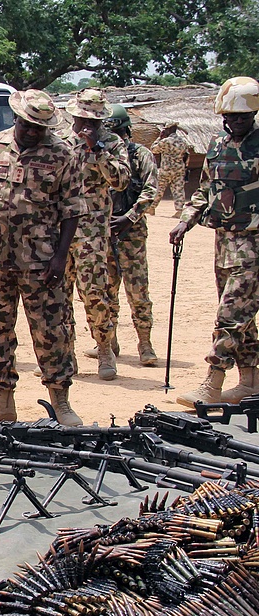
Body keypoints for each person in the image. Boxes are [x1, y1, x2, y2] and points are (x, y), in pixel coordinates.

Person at [0, 90, 84, 427]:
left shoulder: (63, 154)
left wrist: (60, 258)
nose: (34, 131)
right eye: (29, 124)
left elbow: (72, 210)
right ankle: (1, 400)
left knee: (51, 333)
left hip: (41, 262)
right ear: (16, 118)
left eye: (40, 127)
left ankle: (60, 401)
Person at [171, 76, 259, 408]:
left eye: (242, 116)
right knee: (243, 317)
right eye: (229, 116)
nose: (235, 121)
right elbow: (205, 189)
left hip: (254, 244)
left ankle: (213, 382)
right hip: (225, 242)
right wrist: (185, 220)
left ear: (253, 114)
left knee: (230, 315)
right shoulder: (217, 145)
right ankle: (250, 383)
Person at [63, 88, 131, 380]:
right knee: (58, 294)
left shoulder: (112, 143)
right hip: (59, 229)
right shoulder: (60, 141)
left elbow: (121, 181)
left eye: (94, 120)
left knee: (94, 292)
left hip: (92, 230)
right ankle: (65, 353)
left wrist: (98, 148)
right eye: (83, 119)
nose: (88, 124)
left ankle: (104, 348)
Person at [100, 104, 160, 366]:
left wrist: (129, 217)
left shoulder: (141, 155)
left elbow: (151, 190)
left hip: (132, 233)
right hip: (105, 232)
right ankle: (108, 342)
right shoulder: (102, 156)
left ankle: (145, 343)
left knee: (138, 291)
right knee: (106, 291)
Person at [149, 121, 190, 216]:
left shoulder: (165, 141)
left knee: (159, 189)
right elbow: (186, 155)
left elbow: (153, 149)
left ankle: (152, 207)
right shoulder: (183, 142)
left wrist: (159, 137)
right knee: (178, 190)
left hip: (165, 170)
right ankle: (180, 210)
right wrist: (185, 167)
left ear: (169, 130)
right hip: (179, 170)